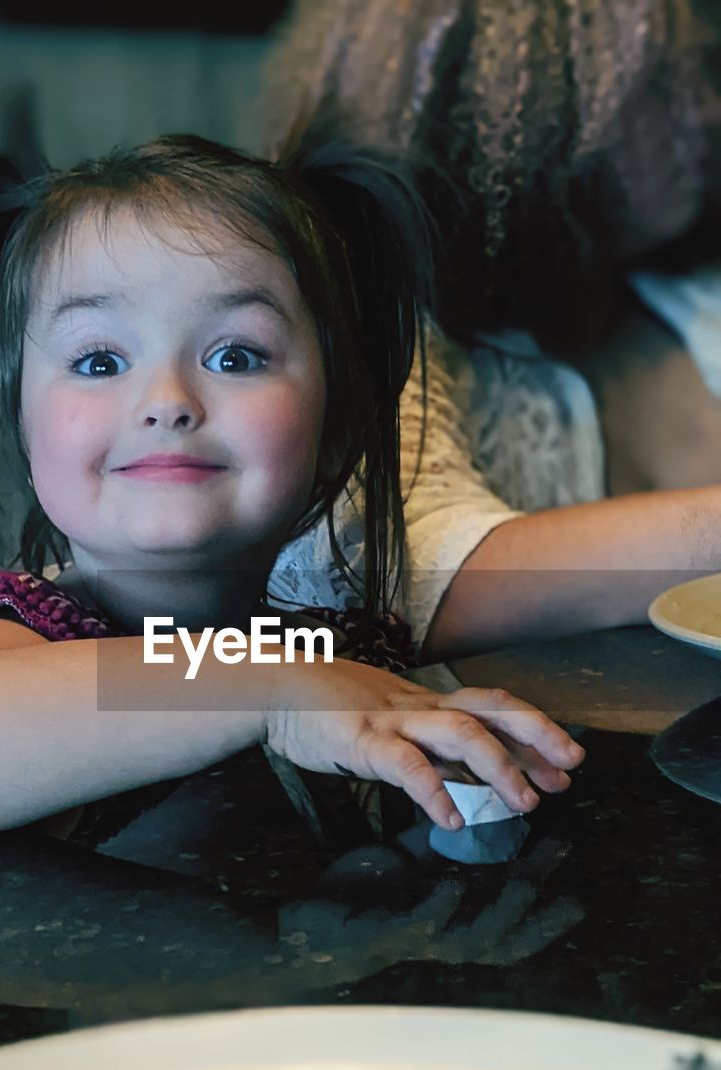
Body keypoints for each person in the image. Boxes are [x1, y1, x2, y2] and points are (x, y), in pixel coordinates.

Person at [0, 131, 583, 842]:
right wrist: (265, 690)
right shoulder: (19, 634)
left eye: (236, 356)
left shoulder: (324, 646)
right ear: (21, 426)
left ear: (338, 423)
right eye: (99, 362)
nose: (168, 400)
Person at [264, 0, 721, 659]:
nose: (708, 113)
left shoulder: (683, 288)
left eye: (703, 76)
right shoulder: (365, 309)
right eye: (659, 90)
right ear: (538, 119)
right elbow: (399, 585)